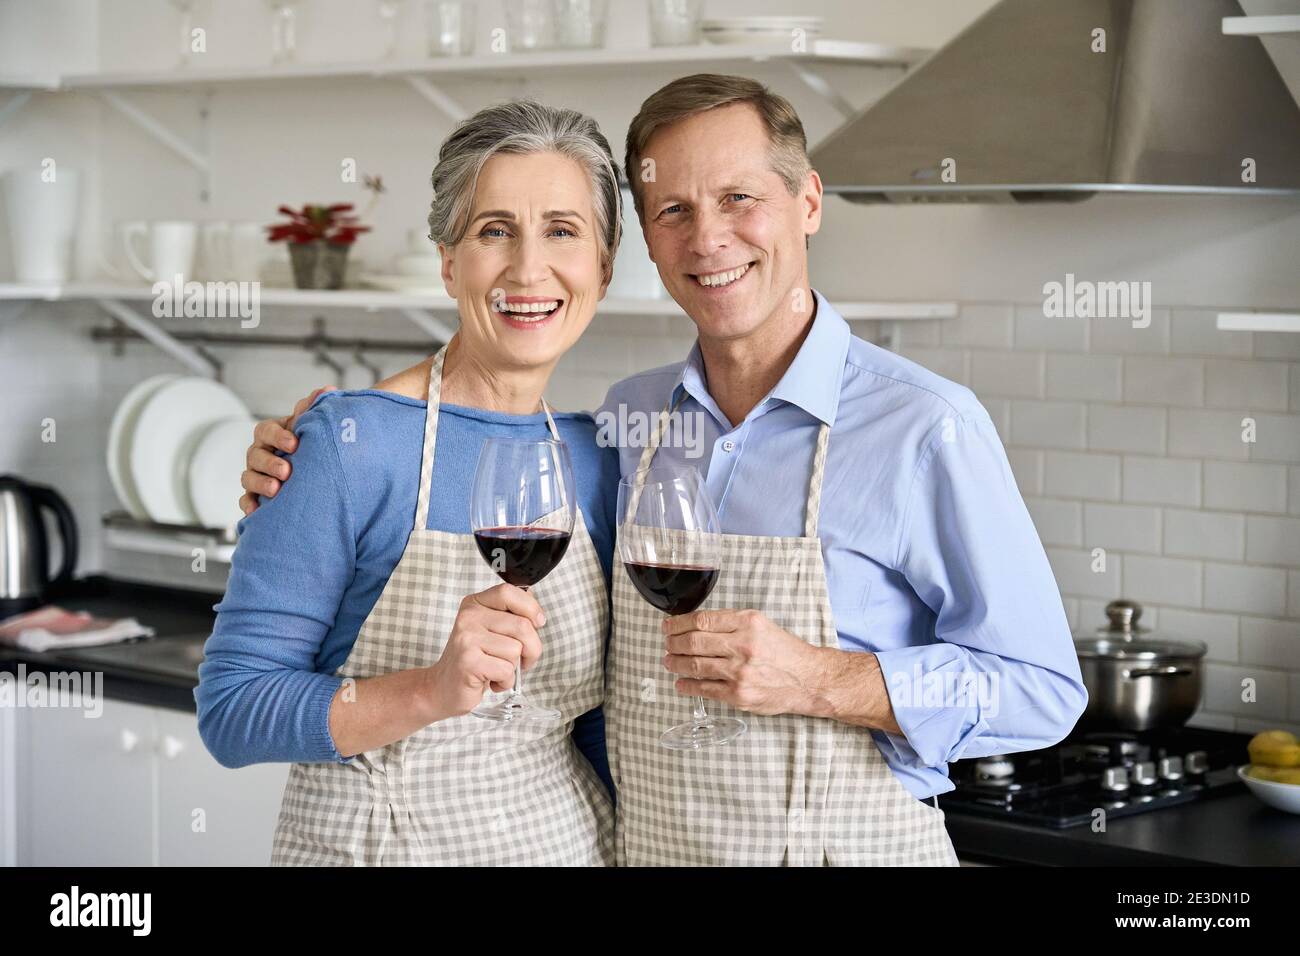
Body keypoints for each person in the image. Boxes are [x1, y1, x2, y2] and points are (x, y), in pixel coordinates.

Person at [243, 75, 1089, 867]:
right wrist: (314, 456)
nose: (709, 237)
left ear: (808, 203)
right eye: (673, 209)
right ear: (644, 241)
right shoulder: (627, 423)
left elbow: (1043, 692)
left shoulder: (923, 427)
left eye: (739, 199)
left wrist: (825, 679)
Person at [197, 100, 625, 866]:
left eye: (562, 230)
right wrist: (430, 690)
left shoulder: (598, 457)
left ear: (604, 264)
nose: (529, 269)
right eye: (495, 231)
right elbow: (232, 711)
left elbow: (588, 724)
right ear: (449, 261)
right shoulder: (347, 444)